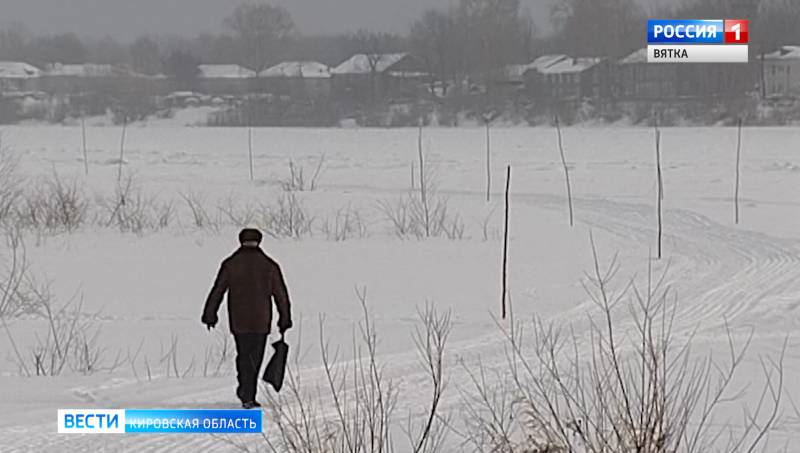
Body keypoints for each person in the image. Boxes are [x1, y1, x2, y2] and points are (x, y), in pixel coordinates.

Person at [202, 228, 293, 409]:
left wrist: (210, 314)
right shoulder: (269, 265)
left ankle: (245, 390)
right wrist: (285, 318)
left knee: (243, 354)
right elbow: (281, 295)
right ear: (259, 241)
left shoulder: (230, 264)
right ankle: (248, 394)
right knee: (255, 357)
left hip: (239, 320)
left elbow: (217, 290)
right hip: (261, 320)